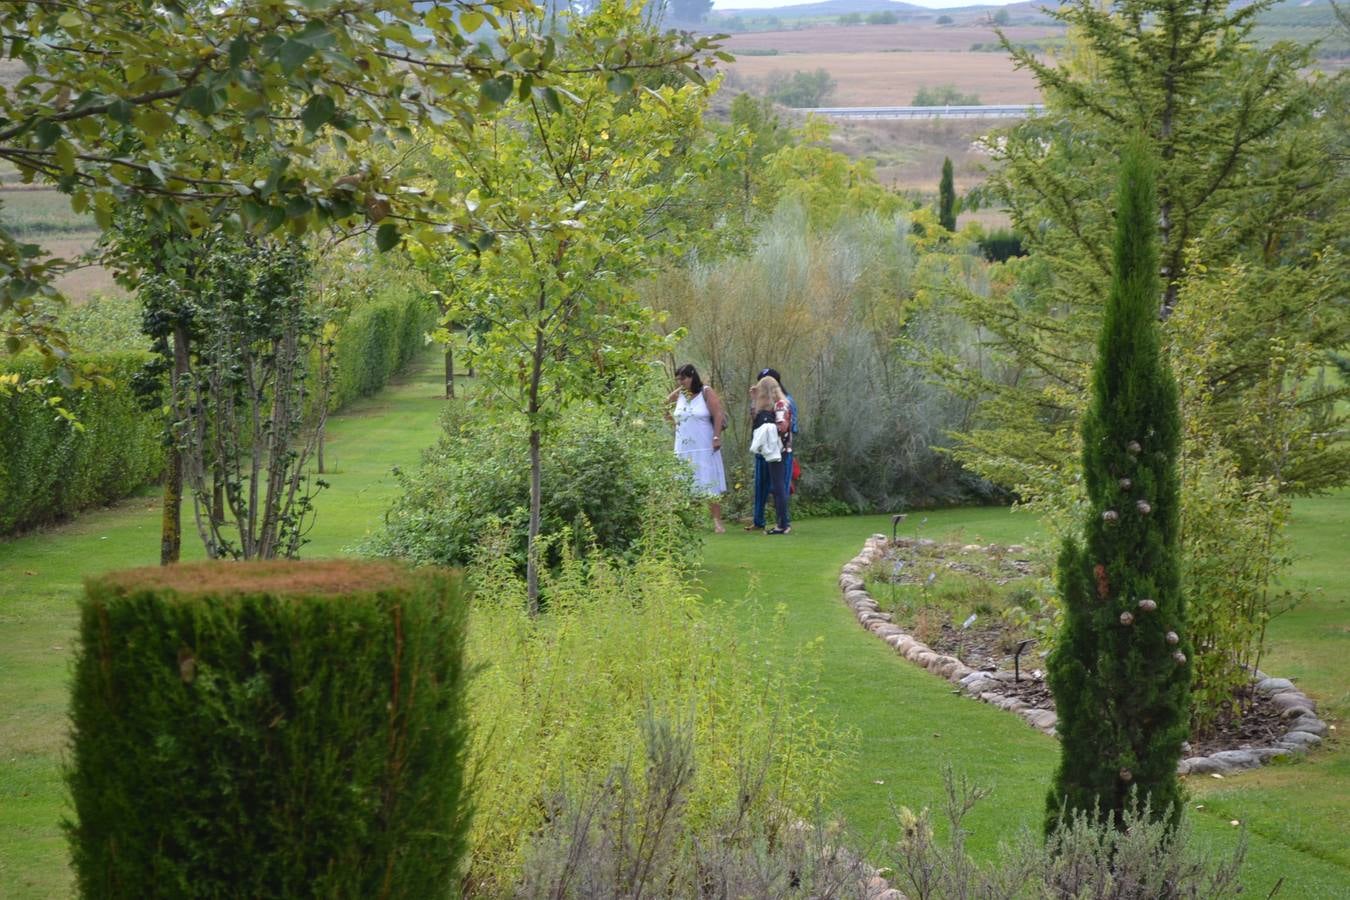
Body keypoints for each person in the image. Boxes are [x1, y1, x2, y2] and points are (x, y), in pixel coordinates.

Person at [667, 363, 728, 533]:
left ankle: (717, 522)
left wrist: (716, 436)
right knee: (686, 484)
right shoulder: (680, 395)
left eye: (684, 378)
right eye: (678, 379)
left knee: (709, 484)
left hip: (704, 446)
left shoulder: (706, 392)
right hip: (684, 447)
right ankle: (690, 522)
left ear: (692, 376)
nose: (681, 382)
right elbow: (663, 405)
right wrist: (675, 424)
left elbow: (718, 414)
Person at [747, 367, 797, 532]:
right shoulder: (773, 405)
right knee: (776, 487)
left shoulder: (781, 405)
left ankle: (783, 524)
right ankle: (780, 523)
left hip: (779, 451)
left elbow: (783, 427)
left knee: (779, 486)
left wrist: (770, 429)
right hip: (773, 451)